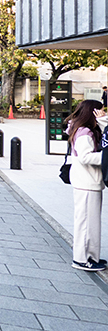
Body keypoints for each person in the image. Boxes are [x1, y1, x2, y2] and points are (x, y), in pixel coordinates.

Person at [65, 99, 108, 271]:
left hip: (88, 181)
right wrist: (105, 158)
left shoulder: (83, 129)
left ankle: (90, 256)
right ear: (93, 113)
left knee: (91, 223)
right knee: (86, 223)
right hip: (87, 182)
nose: (104, 113)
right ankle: (81, 259)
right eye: (101, 111)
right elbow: (85, 157)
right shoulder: (85, 132)